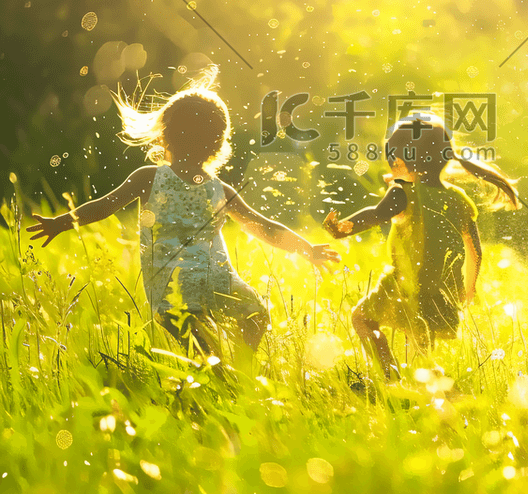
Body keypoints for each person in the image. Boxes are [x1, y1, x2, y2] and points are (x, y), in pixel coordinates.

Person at [27, 76, 339, 355]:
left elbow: (104, 205)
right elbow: (263, 227)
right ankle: (234, 380)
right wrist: (306, 249)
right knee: (228, 340)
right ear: (218, 145)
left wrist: (62, 222)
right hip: (175, 289)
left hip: (211, 282)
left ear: (163, 136)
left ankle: (238, 377)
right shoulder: (155, 179)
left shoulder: (201, 187)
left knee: (236, 332)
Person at [324, 113, 519, 379]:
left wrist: (345, 227)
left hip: (405, 282)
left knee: (363, 319)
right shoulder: (457, 198)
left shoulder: (402, 192)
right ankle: (423, 392)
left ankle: (391, 377)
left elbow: (376, 214)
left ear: (399, 161)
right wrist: (468, 288)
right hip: (440, 290)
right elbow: (475, 250)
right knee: (419, 354)